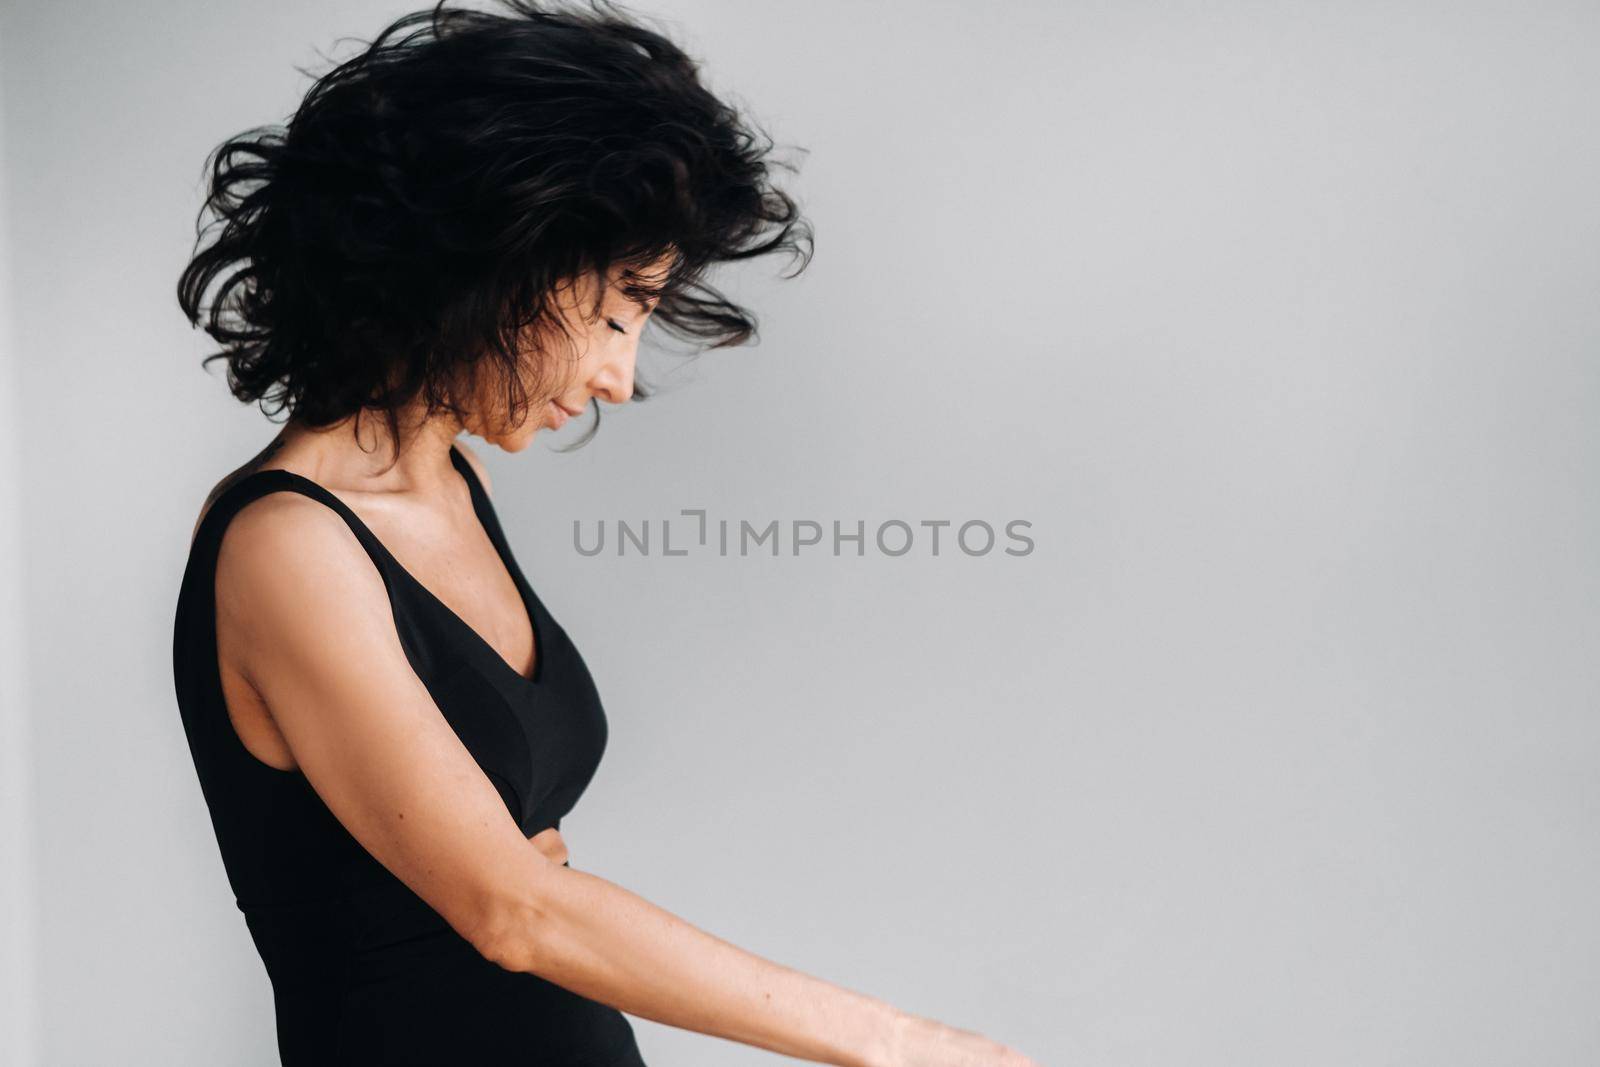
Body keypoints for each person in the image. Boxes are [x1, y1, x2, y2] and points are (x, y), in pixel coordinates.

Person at [171, 2, 1040, 1064]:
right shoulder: (286, 545)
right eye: (623, 307)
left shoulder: (450, 480)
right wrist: (904, 1043)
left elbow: (503, 883)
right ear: (500, 256)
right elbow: (514, 912)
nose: (619, 378)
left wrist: (522, 878)